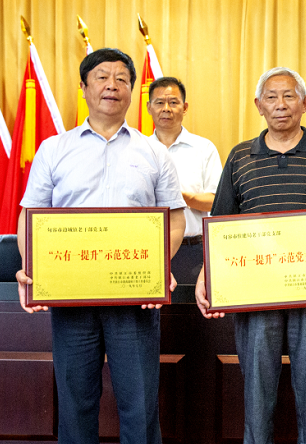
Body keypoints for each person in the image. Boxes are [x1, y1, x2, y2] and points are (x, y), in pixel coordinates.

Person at [15, 48, 186, 444]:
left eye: (122, 79)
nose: (112, 85)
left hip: (134, 297)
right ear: (84, 87)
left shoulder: (154, 152)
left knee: (140, 405)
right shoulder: (54, 149)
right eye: (102, 77)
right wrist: (32, 268)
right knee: (75, 403)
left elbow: (175, 219)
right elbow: (31, 215)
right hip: (71, 294)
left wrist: (157, 266)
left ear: (132, 90)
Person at [193, 67, 306, 444]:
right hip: (255, 294)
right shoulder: (239, 157)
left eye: (289, 95)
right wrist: (206, 275)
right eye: (271, 97)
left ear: (305, 103)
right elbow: (221, 223)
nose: (280, 104)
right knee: (256, 394)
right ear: (258, 105)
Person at [146, 77, 223, 284]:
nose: (166, 109)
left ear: (185, 107)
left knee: (193, 304)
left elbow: (216, 202)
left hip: (193, 251)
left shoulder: (204, 148)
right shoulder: (139, 150)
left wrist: (177, 198)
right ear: (149, 107)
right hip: (148, 250)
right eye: (159, 102)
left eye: (173, 102)